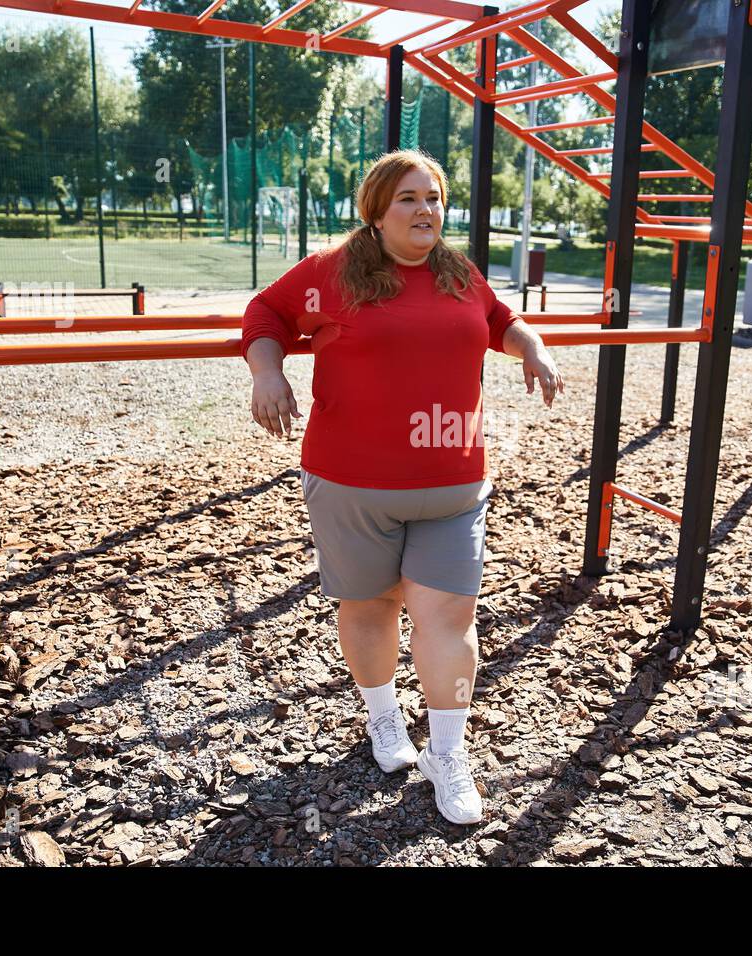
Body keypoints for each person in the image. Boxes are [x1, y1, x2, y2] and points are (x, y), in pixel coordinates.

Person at [241, 149, 563, 825]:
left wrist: (530, 344)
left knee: (449, 617)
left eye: (435, 198)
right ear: (378, 211)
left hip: (452, 483)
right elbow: (266, 315)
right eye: (410, 199)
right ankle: (384, 718)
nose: (426, 211)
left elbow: (498, 319)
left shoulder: (457, 272)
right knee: (369, 608)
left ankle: (449, 753)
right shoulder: (331, 273)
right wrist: (266, 373)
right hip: (351, 482)